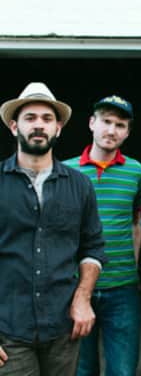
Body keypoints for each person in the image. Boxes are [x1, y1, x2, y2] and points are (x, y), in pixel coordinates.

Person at [0, 82, 106, 375]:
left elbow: (93, 248)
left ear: (57, 128)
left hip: (62, 329)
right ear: (14, 127)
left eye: (47, 119)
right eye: (30, 118)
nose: (39, 125)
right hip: (9, 331)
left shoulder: (79, 184)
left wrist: (83, 298)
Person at [64, 95, 141, 375]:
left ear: (127, 132)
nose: (112, 130)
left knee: (123, 369)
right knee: (82, 368)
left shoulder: (135, 171)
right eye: (106, 122)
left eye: (120, 125)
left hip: (122, 286)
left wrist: (135, 269)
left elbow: (136, 222)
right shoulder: (66, 171)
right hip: (75, 286)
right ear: (91, 123)